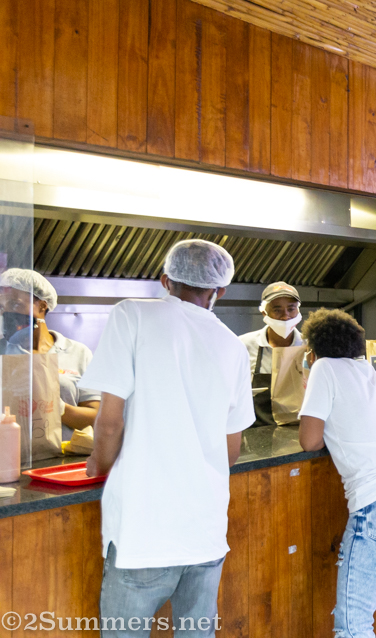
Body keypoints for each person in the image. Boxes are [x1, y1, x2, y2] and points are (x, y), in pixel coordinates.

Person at [82, 239, 254, 638]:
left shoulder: (132, 315)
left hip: (145, 530)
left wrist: (98, 464)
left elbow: (109, 424)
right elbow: (231, 451)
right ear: (220, 290)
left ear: (165, 280)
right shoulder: (233, 346)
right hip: (206, 531)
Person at [297, 308, 376, 638]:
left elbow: (309, 440)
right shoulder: (365, 369)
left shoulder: (322, 369)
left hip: (375, 504)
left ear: (315, 347)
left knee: (353, 624)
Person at [0, 268, 101, 444]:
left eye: (15, 304)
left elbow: (95, 415)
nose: (6, 313)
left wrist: (57, 406)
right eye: (2, 307)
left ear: (42, 305)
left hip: (63, 459)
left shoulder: (78, 352)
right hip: (8, 460)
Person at [238, 282, 305, 427]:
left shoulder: (310, 346)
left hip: (299, 434)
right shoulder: (243, 345)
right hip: (255, 436)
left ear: (298, 311)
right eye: (277, 310)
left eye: (291, 309)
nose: (285, 316)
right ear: (264, 312)